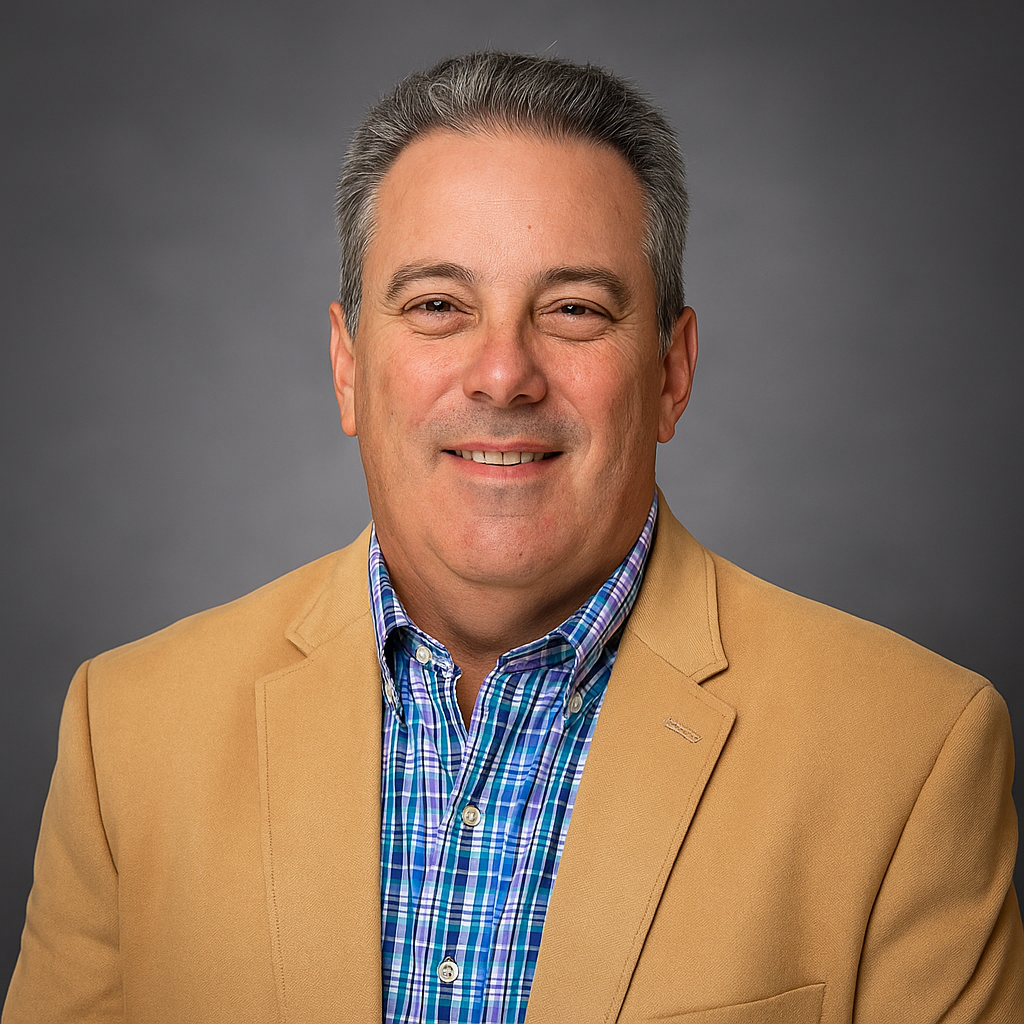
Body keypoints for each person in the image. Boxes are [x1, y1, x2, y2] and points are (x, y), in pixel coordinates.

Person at [4, 51, 1022, 1024]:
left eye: (573, 309)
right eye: (438, 306)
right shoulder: (126, 733)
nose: (502, 375)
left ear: (671, 371)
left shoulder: (910, 756)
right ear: (348, 367)